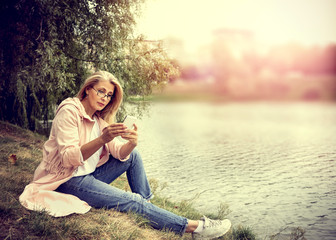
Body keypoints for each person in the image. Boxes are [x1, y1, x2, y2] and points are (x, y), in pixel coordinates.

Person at [19, 71, 231, 239]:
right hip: (66, 180)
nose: (104, 98)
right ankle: (195, 228)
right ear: (87, 90)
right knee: (131, 201)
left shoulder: (99, 120)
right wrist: (102, 139)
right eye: (101, 91)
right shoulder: (70, 111)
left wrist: (131, 143)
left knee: (133, 156)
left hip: (88, 177)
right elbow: (68, 158)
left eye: (109, 95)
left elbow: (120, 154)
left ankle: (147, 207)